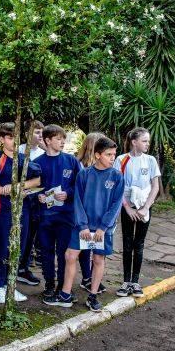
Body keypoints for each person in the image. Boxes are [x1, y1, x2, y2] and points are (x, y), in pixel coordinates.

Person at [49, 136, 123, 312]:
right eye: (108, 154)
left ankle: (93, 295)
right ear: (97, 155)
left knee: (98, 259)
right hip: (82, 226)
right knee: (70, 255)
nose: (113, 158)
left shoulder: (117, 176)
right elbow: (78, 201)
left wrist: (103, 228)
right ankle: (65, 294)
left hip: (102, 229)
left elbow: (116, 205)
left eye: (114, 154)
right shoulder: (84, 174)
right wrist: (82, 226)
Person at [0, 122, 41, 304]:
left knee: (19, 249)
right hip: (3, 212)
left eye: (16, 137)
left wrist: (19, 187)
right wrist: (7, 190)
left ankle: (11, 286)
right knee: (2, 250)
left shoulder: (24, 159)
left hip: (23, 211)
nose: (14, 141)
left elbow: (37, 180)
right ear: (2, 139)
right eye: (9, 137)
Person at [34, 125, 82, 303]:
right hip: (45, 216)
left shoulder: (71, 161)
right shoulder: (38, 162)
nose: (62, 142)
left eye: (64, 138)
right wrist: (37, 196)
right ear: (47, 140)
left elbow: (81, 185)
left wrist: (68, 193)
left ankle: (64, 285)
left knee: (64, 252)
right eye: (58, 138)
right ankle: (48, 283)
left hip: (65, 216)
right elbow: (31, 187)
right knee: (46, 251)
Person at [114, 127, 160, 298]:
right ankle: (126, 282)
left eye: (148, 141)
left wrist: (145, 207)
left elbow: (155, 186)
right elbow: (118, 187)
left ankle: (136, 281)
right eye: (144, 141)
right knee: (127, 243)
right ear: (134, 142)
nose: (147, 144)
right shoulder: (121, 159)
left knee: (139, 244)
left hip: (144, 207)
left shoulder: (150, 161)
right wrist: (127, 208)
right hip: (127, 206)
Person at [73, 132, 103, 293]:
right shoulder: (80, 166)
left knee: (97, 249)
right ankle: (86, 277)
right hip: (82, 215)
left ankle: (93, 277)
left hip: (98, 216)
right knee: (84, 247)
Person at [18, 120, 45, 275]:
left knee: (33, 235)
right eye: (36, 132)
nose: (40, 135)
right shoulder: (19, 151)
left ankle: (26, 264)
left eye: (41, 132)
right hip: (23, 200)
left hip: (38, 201)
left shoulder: (43, 154)